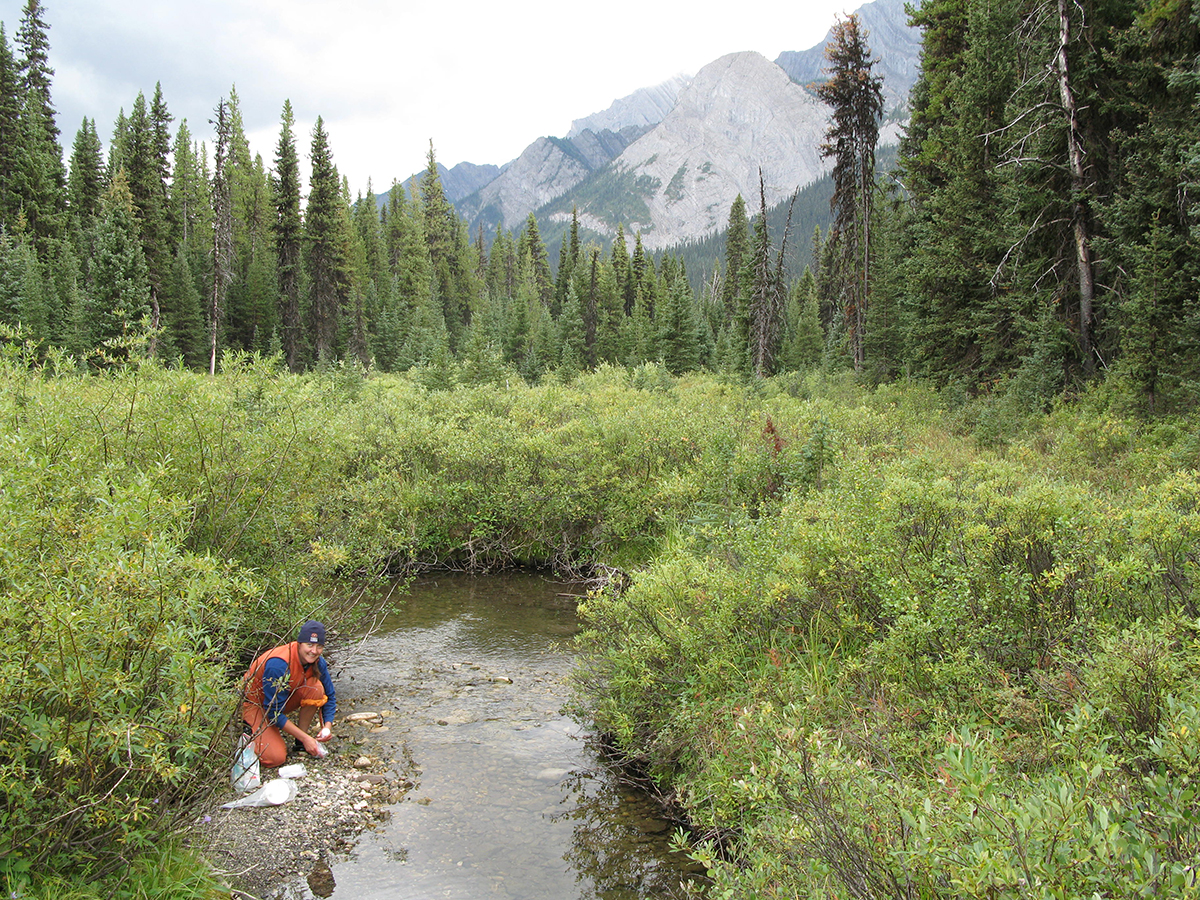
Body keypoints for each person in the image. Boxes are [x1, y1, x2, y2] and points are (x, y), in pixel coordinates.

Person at [241, 619, 337, 767]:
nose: (314, 651)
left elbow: (329, 695)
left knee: (316, 689)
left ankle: (300, 742)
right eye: (309, 645)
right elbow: (273, 713)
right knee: (276, 758)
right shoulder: (278, 664)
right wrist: (308, 738)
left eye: (319, 646)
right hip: (257, 704)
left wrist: (327, 727)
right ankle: (249, 727)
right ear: (299, 644)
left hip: (281, 701)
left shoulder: (318, 662)